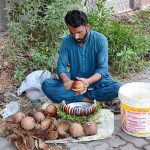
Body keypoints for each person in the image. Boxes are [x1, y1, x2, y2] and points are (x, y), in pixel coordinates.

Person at [42, 10, 122, 106]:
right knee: (47, 85)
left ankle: (76, 98)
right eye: (72, 33)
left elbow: (103, 69)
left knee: (118, 88)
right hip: (75, 85)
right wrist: (67, 80)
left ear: (87, 26)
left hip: (97, 83)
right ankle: (88, 99)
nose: (76, 36)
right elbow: (61, 66)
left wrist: (87, 82)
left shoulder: (100, 40)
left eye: (79, 32)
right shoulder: (66, 41)